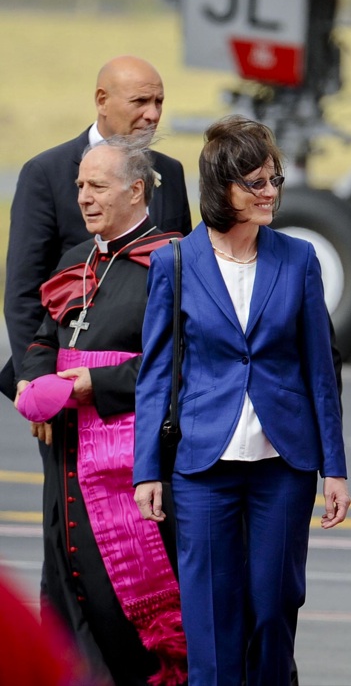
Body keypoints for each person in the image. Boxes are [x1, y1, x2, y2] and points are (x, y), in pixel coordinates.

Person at [132, 115, 351, 686]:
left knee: (274, 611)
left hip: (284, 465)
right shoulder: (175, 263)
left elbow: (320, 371)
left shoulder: (299, 259)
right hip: (203, 466)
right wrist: (147, 469)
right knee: (210, 619)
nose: (270, 192)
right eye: (255, 183)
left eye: (274, 179)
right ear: (221, 189)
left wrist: (335, 467)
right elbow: (155, 374)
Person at [14, 136, 186, 685]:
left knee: (126, 609)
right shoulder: (76, 260)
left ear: (136, 190)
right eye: (80, 186)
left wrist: (100, 384)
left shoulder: (174, 262)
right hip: (67, 462)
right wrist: (33, 380)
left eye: (97, 186)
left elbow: (185, 365)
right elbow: (43, 338)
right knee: (72, 598)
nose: (84, 198)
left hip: (129, 464)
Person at [4, 55, 192, 400]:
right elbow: (24, 293)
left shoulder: (170, 172)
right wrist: (35, 385)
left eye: (158, 102)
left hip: (147, 385)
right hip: (66, 385)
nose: (152, 114)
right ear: (102, 101)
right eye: (140, 101)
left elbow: (184, 277)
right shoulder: (46, 172)